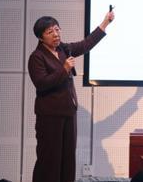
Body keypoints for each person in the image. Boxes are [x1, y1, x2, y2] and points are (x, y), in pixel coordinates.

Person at [28, 11, 115, 182]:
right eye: (50, 32)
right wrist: (64, 69)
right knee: (49, 160)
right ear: (40, 37)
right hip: (50, 117)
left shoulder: (63, 49)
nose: (56, 34)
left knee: (68, 159)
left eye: (57, 29)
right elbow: (41, 83)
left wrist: (105, 23)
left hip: (68, 113)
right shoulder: (37, 57)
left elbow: (85, 44)